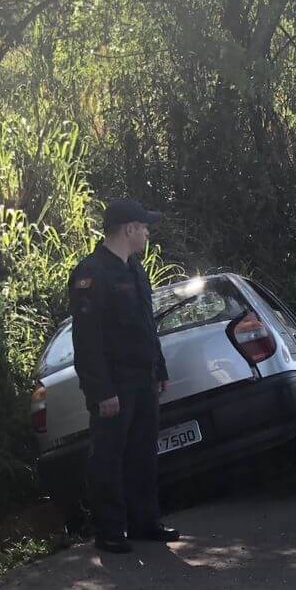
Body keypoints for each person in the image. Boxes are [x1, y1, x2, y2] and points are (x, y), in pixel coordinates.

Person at [68, 199, 179, 554]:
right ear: (129, 228)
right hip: (114, 384)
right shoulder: (92, 274)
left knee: (143, 453)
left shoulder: (135, 269)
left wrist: (158, 368)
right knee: (109, 457)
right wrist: (102, 391)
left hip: (143, 377)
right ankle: (111, 530)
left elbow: (147, 325)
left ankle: (145, 521)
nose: (148, 232)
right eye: (144, 226)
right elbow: (87, 340)